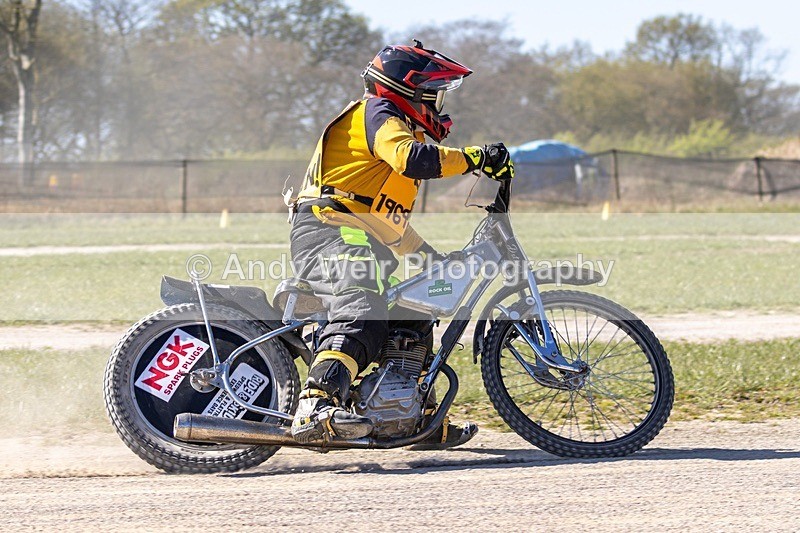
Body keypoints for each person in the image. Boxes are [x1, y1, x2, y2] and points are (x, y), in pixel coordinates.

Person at [288, 40, 514, 445]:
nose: (439, 105)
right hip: (329, 230)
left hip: (353, 232)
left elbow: (388, 223)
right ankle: (316, 401)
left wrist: (431, 260)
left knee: (415, 311)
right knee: (363, 308)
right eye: (435, 93)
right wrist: (476, 157)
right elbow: (413, 157)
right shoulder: (380, 114)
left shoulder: (386, 137)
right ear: (409, 90)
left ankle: (408, 420)